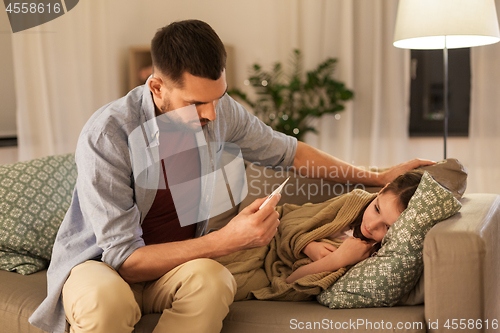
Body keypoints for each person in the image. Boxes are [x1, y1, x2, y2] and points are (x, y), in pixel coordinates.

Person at [29, 19, 434, 333]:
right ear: (156, 87)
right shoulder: (109, 134)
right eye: (196, 103)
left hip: (173, 266)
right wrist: (226, 240)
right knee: (106, 301)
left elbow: (288, 152)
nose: (210, 115)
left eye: (218, 98)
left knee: (213, 280)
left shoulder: (220, 110)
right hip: (103, 264)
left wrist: (375, 178)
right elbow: (126, 260)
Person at [214, 170, 424, 301]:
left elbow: (291, 282)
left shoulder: (364, 254)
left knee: (218, 285)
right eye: (377, 209)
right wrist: (307, 245)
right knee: (210, 254)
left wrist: (337, 260)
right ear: (382, 190)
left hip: (271, 270)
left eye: (387, 227)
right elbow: (291, 219)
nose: (371, 225)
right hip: (271, 232)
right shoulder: (354, 201)